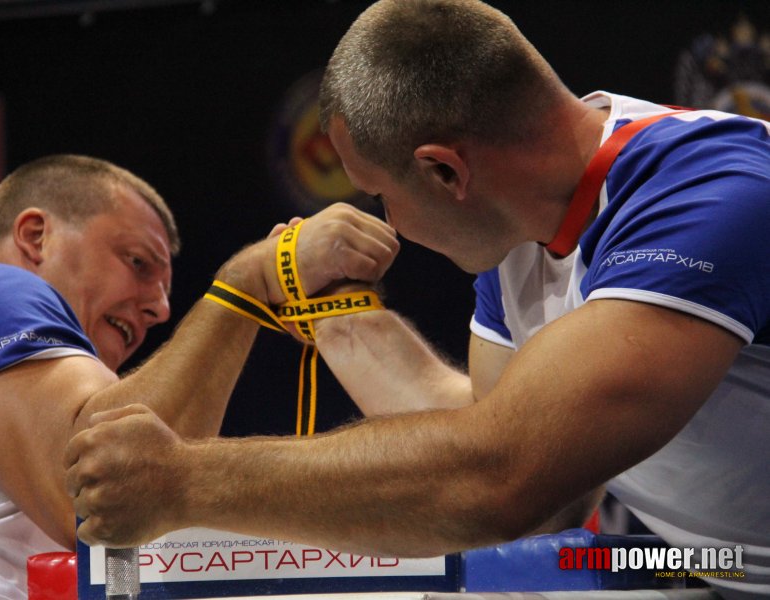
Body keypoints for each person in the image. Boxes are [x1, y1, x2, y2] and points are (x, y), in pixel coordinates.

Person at [64, 2, 770, 599]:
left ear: (442, 169)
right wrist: (335, 312)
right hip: (717, 570)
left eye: (380, 192)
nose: (387, 218)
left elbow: (505, 478)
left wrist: (185, 481)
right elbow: (505, 448)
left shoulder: (712, 193)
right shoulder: (521, 228)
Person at [0, 154, 399, 599]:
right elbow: (100, 489)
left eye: (166, 287)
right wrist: (249, 282)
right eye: (138, 263)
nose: (161, 308)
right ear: (35, 236)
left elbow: (161, 494)